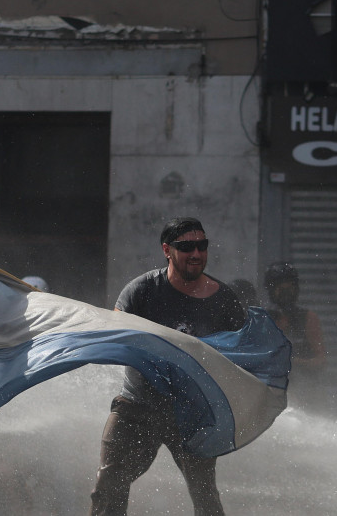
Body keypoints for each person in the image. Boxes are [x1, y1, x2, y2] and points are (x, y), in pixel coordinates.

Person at [89, 217, 247, 516]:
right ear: (167, 250)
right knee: (108, 488)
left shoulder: (222, 298)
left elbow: (239, 354)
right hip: (137, 406)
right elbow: (114, 335)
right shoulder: (142, 290)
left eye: (202, 246)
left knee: (206, 498)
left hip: (193, 412)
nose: (196, 254)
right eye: (186, 247)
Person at [263, 262, 326, 410]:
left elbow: (321, 360)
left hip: (307, 391)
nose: (285, 291)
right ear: (271, 289)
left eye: (289, 285)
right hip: (273, 392)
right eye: (280, 286)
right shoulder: (263, 319)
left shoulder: (308, 318)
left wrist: (294, 362)